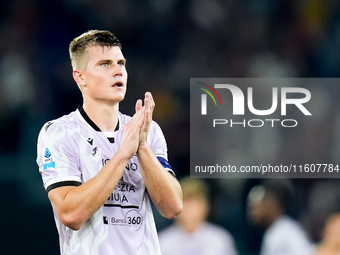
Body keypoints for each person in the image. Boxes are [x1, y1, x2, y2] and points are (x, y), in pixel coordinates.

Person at [36, 30, 183, 255]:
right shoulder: (58, 133)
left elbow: (172, 207)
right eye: (105, 64)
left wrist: (141, 146)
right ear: (80, 77)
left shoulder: (147, 130)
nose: (118, 71)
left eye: (121, 63)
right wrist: (123, 154)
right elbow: (70, 214)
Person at [158, 177, 238, 255]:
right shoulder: (162, 242)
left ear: (206, 206)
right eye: (186, 202)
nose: (190, 209)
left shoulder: (220, 239)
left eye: (194, 203)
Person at [247, 179, 313, 255]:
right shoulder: (274, 231)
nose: (253, 211)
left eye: (259, 205)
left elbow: (306, 252)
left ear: (275, 205)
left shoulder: (288, 230)